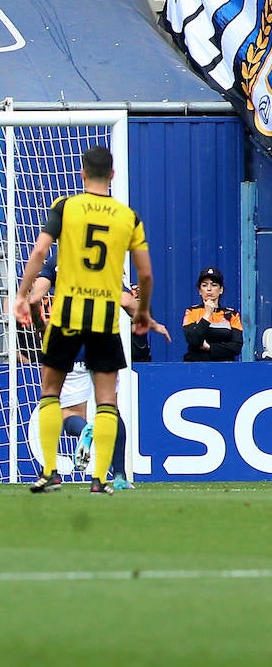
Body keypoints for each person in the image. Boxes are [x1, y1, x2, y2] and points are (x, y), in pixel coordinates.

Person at [14, 145, 153, 496]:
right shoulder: (128, 216)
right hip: (104, 319)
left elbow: (40, 252)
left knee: (50, 392)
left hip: (67, 316)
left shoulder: (65, 207)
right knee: (107, 400)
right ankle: (102, 478)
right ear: (113, 175)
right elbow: (146, 275)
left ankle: (48, 472)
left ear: (81, 173)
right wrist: (144, 311)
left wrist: (21, 294)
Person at [28, 252, 168, 491]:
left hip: (67, 341)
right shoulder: (105, 260)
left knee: (68, 412)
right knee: (109, 408)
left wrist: (41, 327)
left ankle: (83, 431)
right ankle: (120, 475)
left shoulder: (58, 259)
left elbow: (34, 299)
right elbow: (126, 302)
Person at [183, 266, 244, 361]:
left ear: (221, 290)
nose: (209, 289)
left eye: (214, 285)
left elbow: (236, 347)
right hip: (197, 366)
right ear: (199, 290)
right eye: (204, 285)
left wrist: (210, 347)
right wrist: (207, 314)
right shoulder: (191, 312)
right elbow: (193, 340)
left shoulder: (232, 314)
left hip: (225, 367)